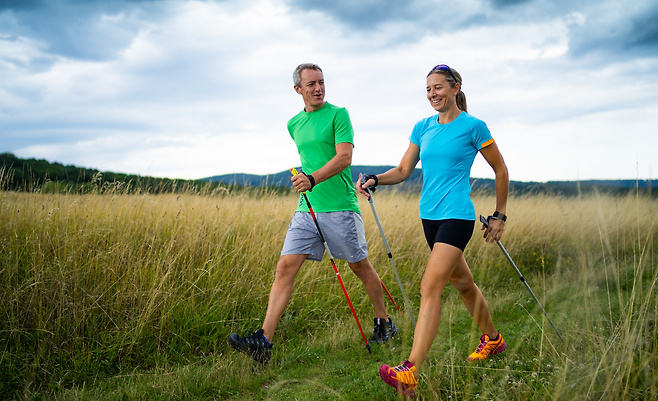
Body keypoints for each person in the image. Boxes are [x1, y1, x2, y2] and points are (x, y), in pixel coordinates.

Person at [228, 63, 397, 363]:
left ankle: (384, 323)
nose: (318, 88)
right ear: (298, 89)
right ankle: (264, 341)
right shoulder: (293, 124)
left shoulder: (338, 114)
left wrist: (312, 179)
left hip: (340, 206)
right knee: (285, 267)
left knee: (359, 267)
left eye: (321, 82)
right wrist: (306, 180)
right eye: (311, 84)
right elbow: (310, 159)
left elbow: (344, 157)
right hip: (307, 208)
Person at [357, 64, 509, 398]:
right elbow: (403, 170)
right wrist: (375, 179)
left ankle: (410, 370)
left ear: (455, 88)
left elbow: (500, 169)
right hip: (429, 218)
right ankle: (494, 340)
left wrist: (499, 215)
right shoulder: (422, 127)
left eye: (438, 87)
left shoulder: (473, 126)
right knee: (464, 284)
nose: (432, 94)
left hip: (457, 217)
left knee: (430, 286)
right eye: (428, 89)